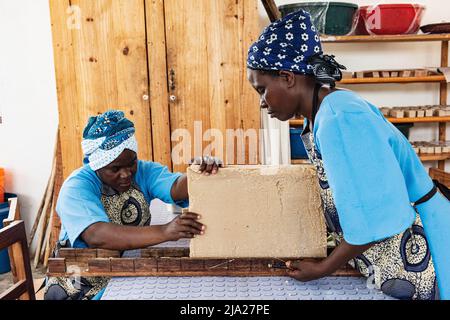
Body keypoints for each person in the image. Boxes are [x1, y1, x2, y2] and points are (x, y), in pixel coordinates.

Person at [247, 9, 450, 300]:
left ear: (287, 77)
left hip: (430, 244)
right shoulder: (320, 115)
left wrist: (323, 268)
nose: (263, 103)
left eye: (262, 90)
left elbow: (371, 215)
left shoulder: (340, 118)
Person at [44, 110, 221, 300]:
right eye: (115, 169)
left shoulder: (143, 171)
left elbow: (175, 187)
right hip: (80, 281)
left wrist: (197, 174)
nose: (126, 174)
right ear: (97, 165)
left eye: (131, 163)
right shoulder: (77, 187)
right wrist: (166, 231)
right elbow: (97, 234)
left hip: (123, 269)